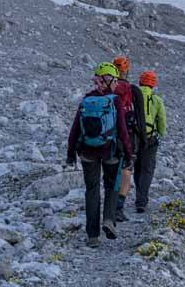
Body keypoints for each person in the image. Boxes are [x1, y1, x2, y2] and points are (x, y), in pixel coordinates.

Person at [66, 63, 133, 247]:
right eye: (115, 80)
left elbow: (75, 129)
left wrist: (70, 153)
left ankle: (92, 236)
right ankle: (109, 220)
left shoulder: (86, 99)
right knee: (111, 186)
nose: (116, 84)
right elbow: (122, 130)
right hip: (110, 150)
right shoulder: (115, 100)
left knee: (92, 190)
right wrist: (129, 153)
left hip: (87, 152)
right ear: (109, 79)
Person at [110, 56, 145, 222]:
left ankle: (108, 207)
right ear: (127, 70)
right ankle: (118, 208)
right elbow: (140, 118)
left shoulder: (107, 89)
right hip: (129, 136)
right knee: (126, 170)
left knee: (110, 169)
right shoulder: (134, 90)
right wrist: (143, 139)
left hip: (110, 135)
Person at [134, 70, 167, 214]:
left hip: (134, 137)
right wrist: (160, 135)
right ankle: (141, 201)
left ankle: (138, 196)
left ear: (140, 81)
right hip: (151, 138)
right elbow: (162, 121)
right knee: (147, 169)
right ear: (153, 84)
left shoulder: (132, 95)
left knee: (137, 168)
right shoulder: (157, 100)